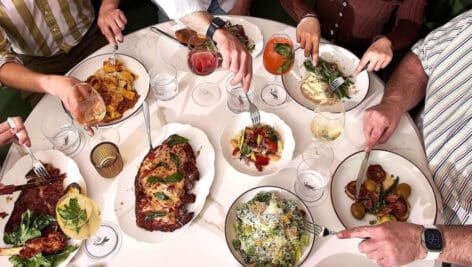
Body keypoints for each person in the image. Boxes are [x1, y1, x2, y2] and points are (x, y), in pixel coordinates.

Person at [337, 10, 472, 267]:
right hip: (401, 150)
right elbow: (420, 62)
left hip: (447, 237)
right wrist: (393, 103)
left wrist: (425, 242)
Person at [0, 0, 126, 120]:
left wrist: (108, 6)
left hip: (91, 37)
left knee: (124, 93)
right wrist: (50, 83)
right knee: (67, 125)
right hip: (38, 66)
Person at [98, 0, 253, 92]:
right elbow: (176, 4)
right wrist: (108, 6)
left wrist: (242, 5)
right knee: (175, 73)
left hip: (225, 3)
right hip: (177, 12)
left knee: (230, 76)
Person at [280, 0, 425, 76]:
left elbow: (410, 25)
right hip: (312, 34)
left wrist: (388, 42)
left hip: (363, 54)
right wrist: (306, 15)